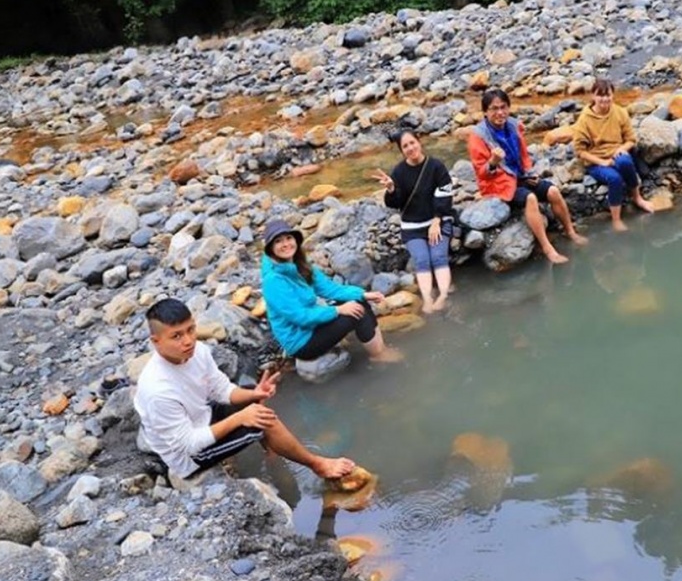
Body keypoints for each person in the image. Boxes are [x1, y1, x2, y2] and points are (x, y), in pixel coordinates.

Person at [133, 298, 356, 480]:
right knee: (258, 423)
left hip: (200, 417)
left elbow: (220, 389)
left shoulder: (197, 351)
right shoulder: (157, 391)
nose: (188, 340)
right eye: (177, 336)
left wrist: (255, 394)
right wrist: (240, 418)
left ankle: (273, 449)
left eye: (190, 329)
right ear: (156, 341)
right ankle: (317, 465)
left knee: (250, 396)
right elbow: (189, 445)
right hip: (187, 457)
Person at [467, 88, 588, 264]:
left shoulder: (514, 126)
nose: (500, 113)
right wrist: (493, 162)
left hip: (520, 177)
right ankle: (548, 248)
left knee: (553, 191)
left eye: (503, 107)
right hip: (498, 184)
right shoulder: (478, 137)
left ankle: (570, 231)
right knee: (531, 198)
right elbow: (482, 173)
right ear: (485, 112)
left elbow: (523, 157)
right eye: (494, 109)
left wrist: (530, 174)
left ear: (509, 108)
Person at [261, 219, 403, 363]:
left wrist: (362, 294)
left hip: (312, 325)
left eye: (288, 238)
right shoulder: (273, 281)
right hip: (301, 341)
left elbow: (330, 289)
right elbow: (300, 317)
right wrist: (338, 310)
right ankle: (379, 355)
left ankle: (380, 350)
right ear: (270, 248)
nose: (285, 244)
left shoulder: (298, 264)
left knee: (358, 302)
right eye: (278, 241)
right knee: (358, 314)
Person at [372, 130, 454, 313]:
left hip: (437, 221)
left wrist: (437, 220)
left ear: (419, 142)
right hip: (413, 226)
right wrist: (392, 189)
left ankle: (442, 295)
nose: (410, 148)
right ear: (402, 151)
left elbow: (445, 195)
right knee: (422, 259)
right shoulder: (399, 172)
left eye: (412, 143)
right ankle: (427, 298)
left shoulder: (436, 166)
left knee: (438, 256)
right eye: (405, 146)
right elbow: (395, 204)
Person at [573, 78, 656, 232]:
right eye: (600, 95)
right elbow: (580, 151)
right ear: (593, 96)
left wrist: (622, 148)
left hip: (616, 153)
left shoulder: (619, 112)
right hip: (596, 161)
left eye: (608, 95)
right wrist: (602, 162)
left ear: (613, 95)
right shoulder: (584, 119)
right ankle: (616, 220)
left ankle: (637, 198)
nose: (605, 99)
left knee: (625, 161)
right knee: (614, 179)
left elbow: (631, 139)